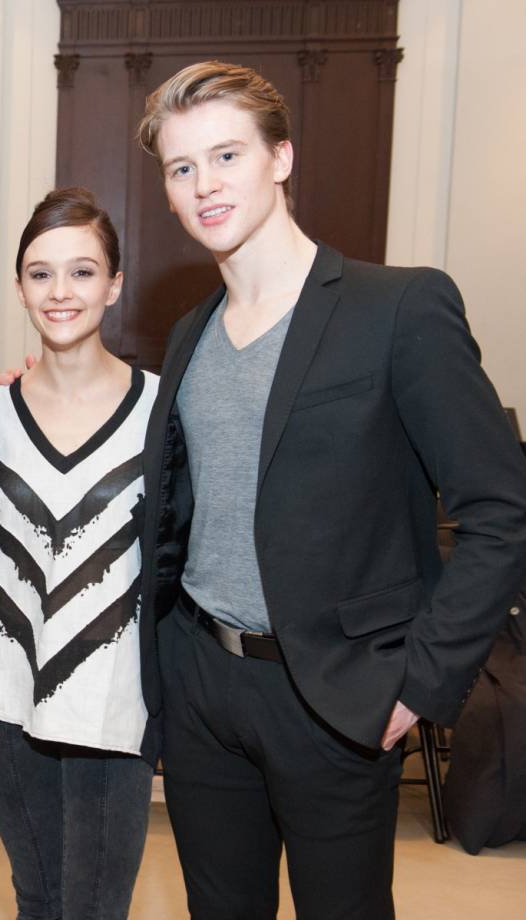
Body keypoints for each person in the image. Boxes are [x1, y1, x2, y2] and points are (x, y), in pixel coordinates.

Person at [134, 60, 526, 918]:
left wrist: (422, 684)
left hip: (336, 696)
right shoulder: (190, 333)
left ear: (281, 158)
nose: (205, 185)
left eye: (227, 156)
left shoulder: (398, 308)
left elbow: (503, 512)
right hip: (203, 686)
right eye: (181, 167)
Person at [0, 187, 157, 920]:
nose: (60, 292)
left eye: (82, 272)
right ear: (19, 287)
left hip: (111, 708)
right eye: (40, 273)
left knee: (96, 909)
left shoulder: (160, 411)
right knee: (36, 899)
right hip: (4, 697)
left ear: (114, 284)